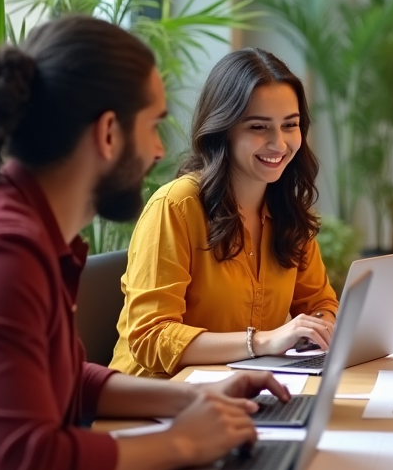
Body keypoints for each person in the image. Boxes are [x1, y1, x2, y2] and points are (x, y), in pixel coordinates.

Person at [0, 16, 289, 470]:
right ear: (108, 132)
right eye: (154, 125)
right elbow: (27, 468)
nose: (159, 151)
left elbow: (63, 378)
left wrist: (189, 403)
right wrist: (180, 443)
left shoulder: (24, 228)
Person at [110, 48, 338, 378]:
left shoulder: (288, 211)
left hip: (241, 391)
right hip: (156, 402)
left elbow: (320, 303)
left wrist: (316, 329)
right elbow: (150, 337)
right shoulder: (176, 207)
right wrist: (260, 342)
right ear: (223, 129)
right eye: (259, 127)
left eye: (290, 125)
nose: (279, 143)